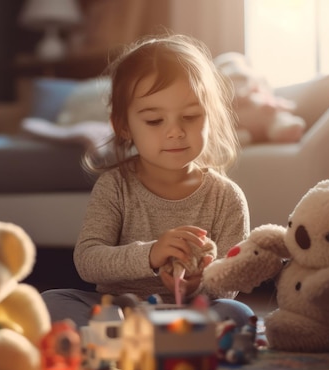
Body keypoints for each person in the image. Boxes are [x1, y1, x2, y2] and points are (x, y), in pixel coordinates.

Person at [42, 33, 255, 328]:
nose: (175, 132)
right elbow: (88, 262)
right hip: (121, 310)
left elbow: (231, 280)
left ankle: (137, 340)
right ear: (124, 126)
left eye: (191, 116)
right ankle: (151, 338)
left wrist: (196, 284)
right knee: (50, 302)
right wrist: (151, 254)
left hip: (190, 312)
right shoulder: (115, 186)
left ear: (210, 117)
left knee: (238, 313)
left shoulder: (227, 197)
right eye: (155, 121)